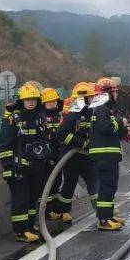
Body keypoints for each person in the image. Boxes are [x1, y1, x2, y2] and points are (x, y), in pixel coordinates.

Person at [0, 82, 51, 243]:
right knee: (21, 198)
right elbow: (4, 144)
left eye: (33, 99)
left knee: (33, 196)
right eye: (27, 99)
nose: (31, 102)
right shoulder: (13, 119)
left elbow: (44, 139)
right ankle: (21, 231)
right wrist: (8, 167)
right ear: (21, 101)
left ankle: (29, 225)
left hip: (37, 165)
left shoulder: (40, 116)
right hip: (19, 167)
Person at [46, 81, 97, 224]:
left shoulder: (90, 113)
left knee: (93, 181)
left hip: (86, 156)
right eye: (90, 97)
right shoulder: (72, 114)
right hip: (72, 157)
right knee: (70, 184)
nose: (92, 99)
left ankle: (101, 209)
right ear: (84, 98)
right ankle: (62, 211)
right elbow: (62, 134)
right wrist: (81, 143)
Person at [87, 77, 130, 230]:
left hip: (108, 155)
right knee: (106, 188)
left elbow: (111, 128)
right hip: (104, 156)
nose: (116, 95)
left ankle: (109, 216)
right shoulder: (101, 109)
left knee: (110, 187)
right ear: (107, 94)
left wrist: (125, 130)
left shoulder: (105, 109)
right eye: (114, 92)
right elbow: (106, 127)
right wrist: (121, 123)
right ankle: (103, 220)